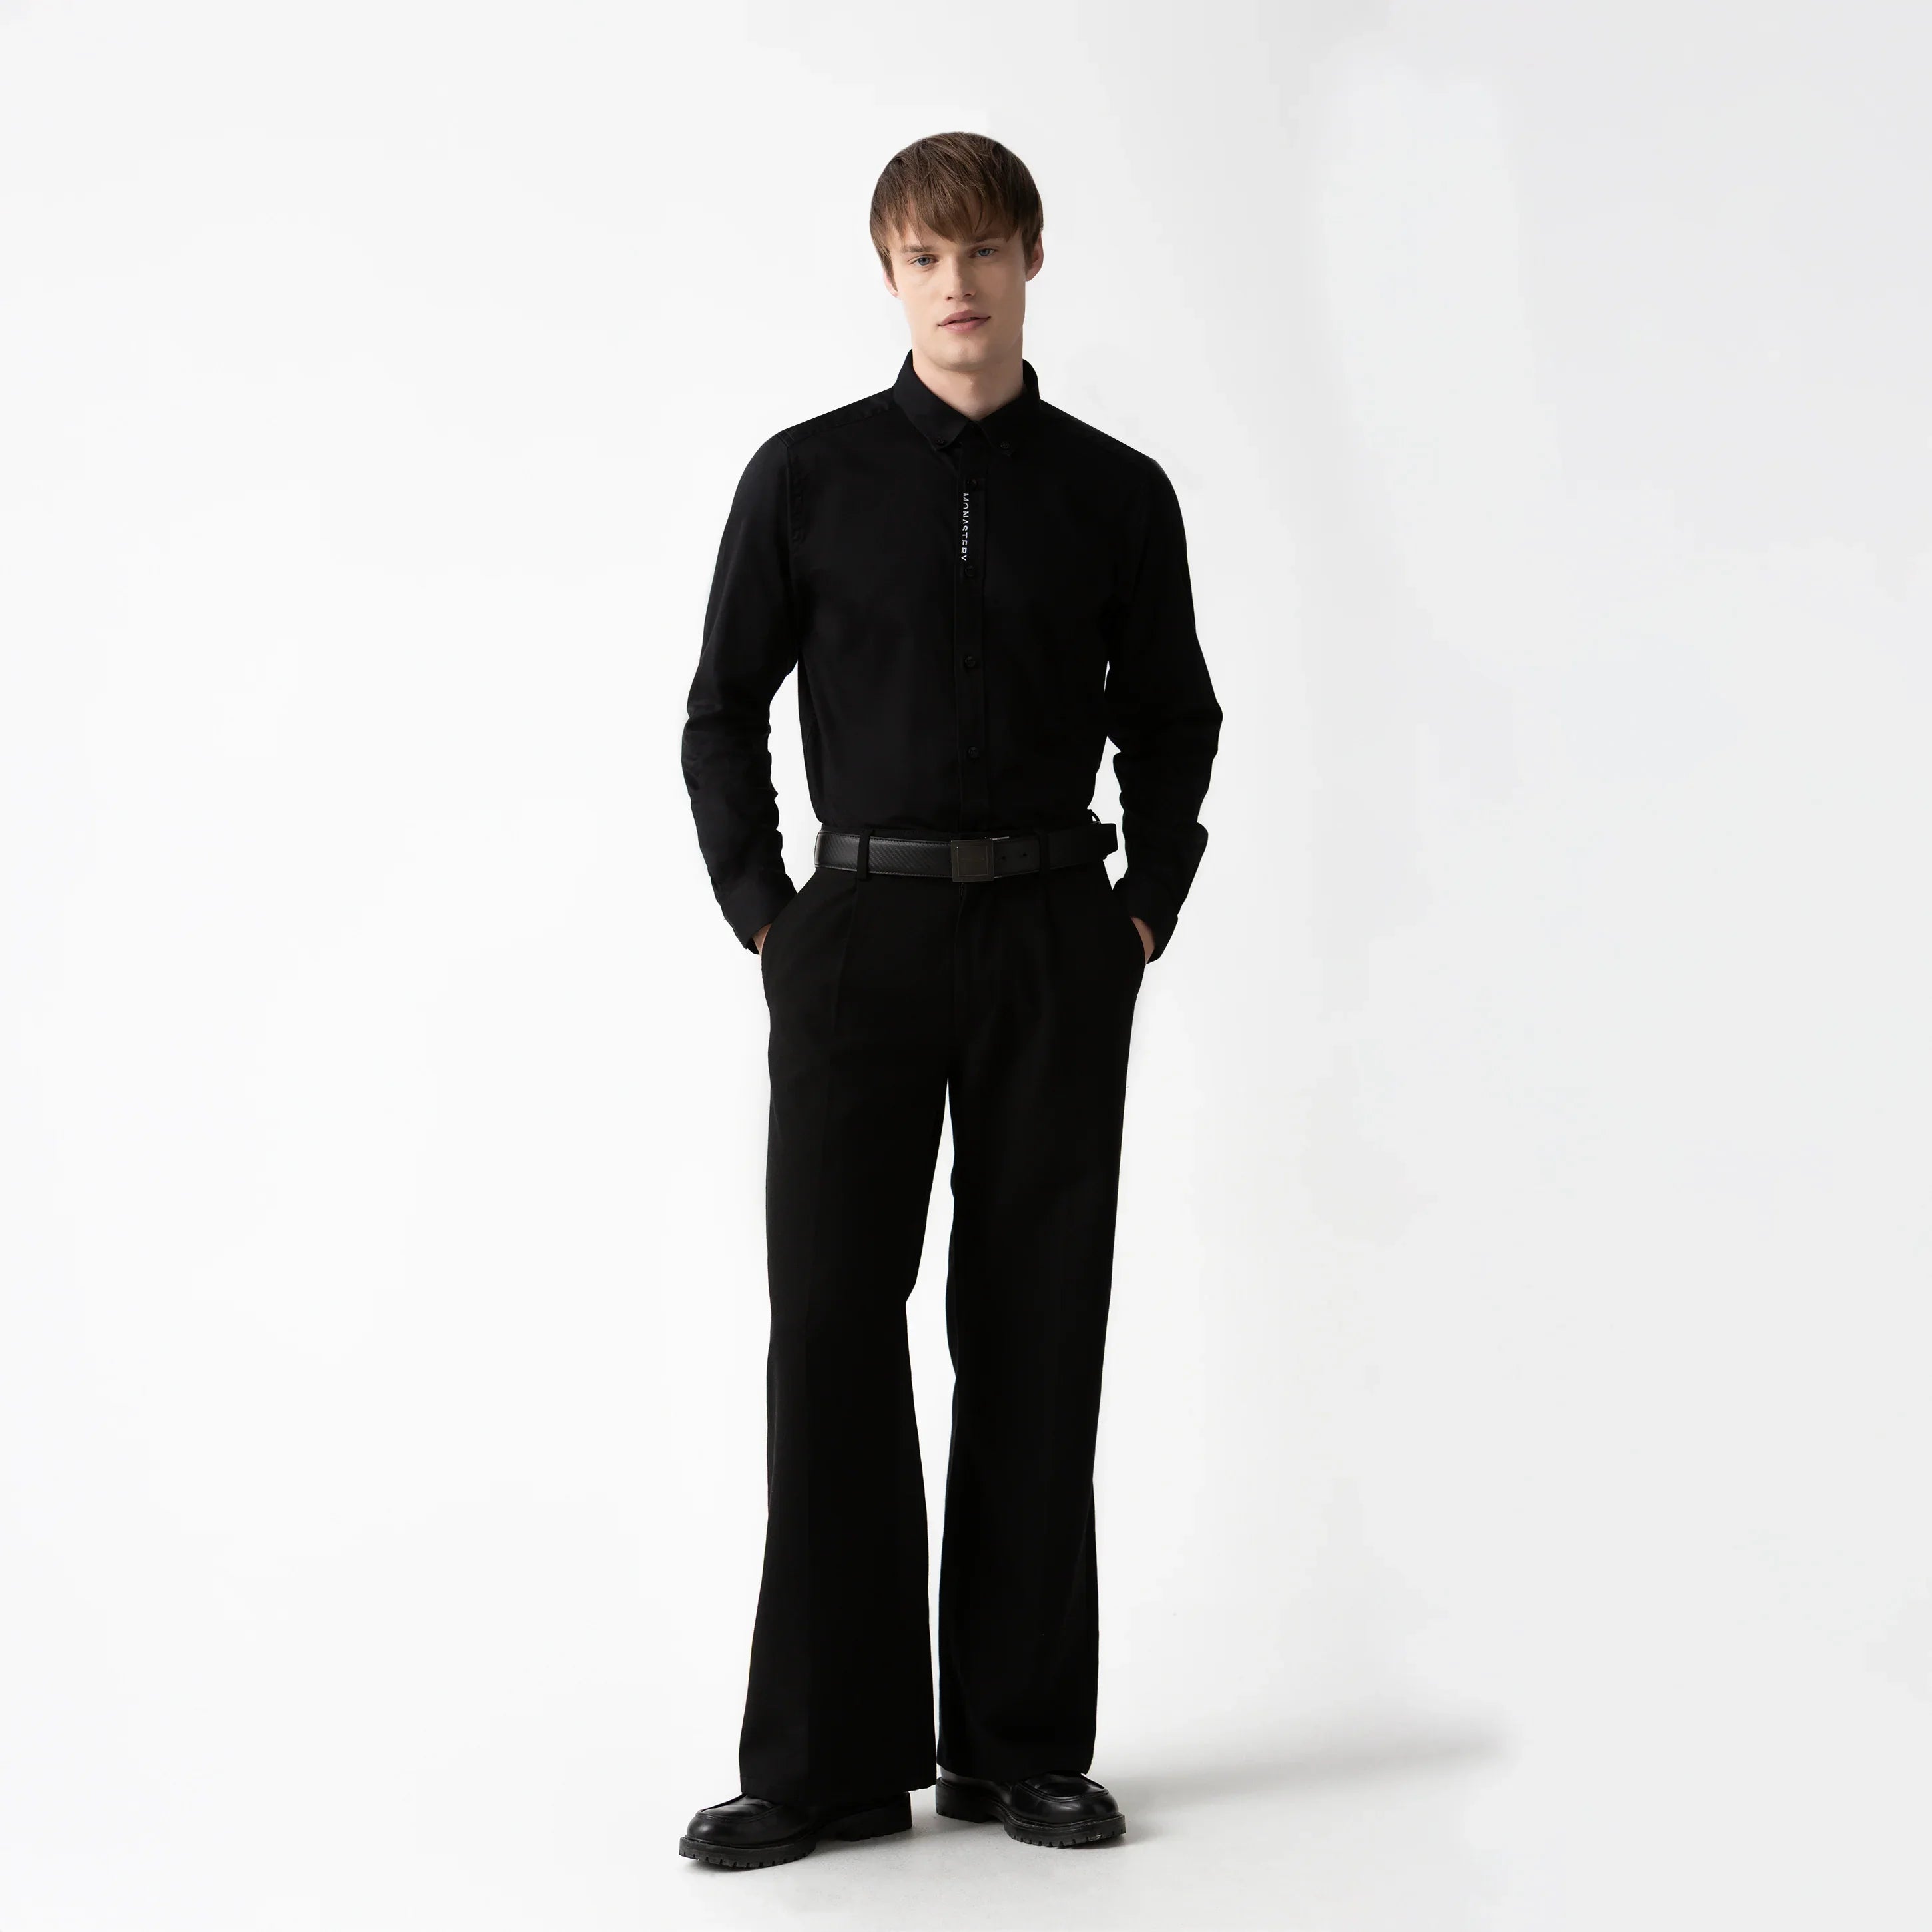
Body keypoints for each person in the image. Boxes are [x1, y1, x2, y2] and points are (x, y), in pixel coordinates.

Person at [677, 129, 1223, 1871]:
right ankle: (826, 1765)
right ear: (890, 276)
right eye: (926, 256)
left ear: (1032, 261)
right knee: (833, 1331)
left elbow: (1178, 721)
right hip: (856, 941)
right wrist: (769, 918)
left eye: (984, 250)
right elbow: (719, 711)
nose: (958, 283)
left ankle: (1016, 1748)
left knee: (1036, 1328)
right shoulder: (806, 478)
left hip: (1057, 939)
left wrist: (1141, 912)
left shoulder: (1115, 492)